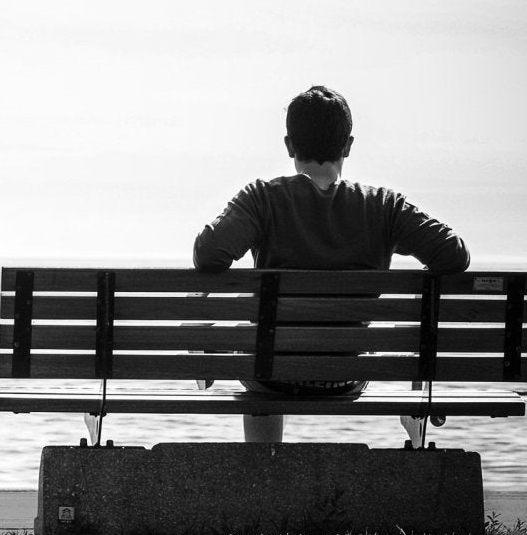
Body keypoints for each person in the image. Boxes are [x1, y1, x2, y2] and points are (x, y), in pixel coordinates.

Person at [192, 85, 469, 443]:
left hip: (270, 374)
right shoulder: (384, 206)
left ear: (290, 145)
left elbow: (208, 254)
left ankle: (264, 461)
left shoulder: (262, 198)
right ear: (348, 146)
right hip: (347, 374)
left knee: (254, 350)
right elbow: (453, 255)